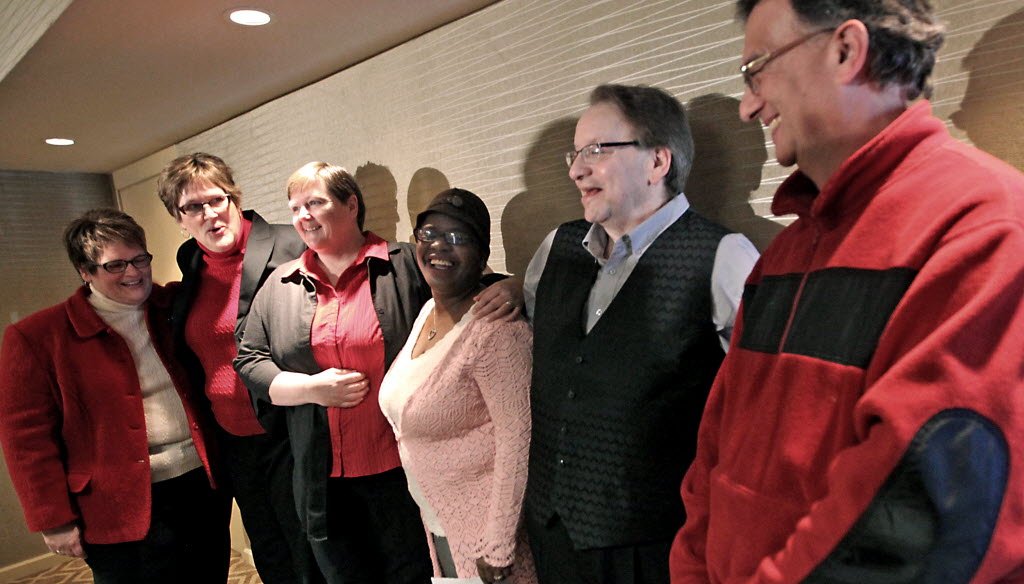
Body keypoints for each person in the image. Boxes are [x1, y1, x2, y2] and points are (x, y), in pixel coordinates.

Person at [670, 1, 1024, 582]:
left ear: (846, 50)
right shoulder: (782, 257)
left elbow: (912, 529)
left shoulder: (983, 227)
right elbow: (714, 457)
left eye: (756, 70)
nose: (747, 105)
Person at [484, 83, 758, 583]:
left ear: (658, 162)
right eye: (575, 152)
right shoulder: (556, 248)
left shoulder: (725, 257)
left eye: (596, 151)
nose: (575, 169)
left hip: (653, 545)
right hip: (552, 530)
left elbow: (763, 408)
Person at [234, 162, 521, 584]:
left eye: (315, 202)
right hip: (322, 476)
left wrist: (519, 286)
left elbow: (464, 288)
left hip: (400, 473)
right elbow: (248, 358)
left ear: (351, 205)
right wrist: (308, 388)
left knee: (414, 573)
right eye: (295, 207)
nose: (303, 216)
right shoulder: (281, 284)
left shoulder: (404, 264)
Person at [0, 209, 230, 584]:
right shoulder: (38, 336)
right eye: (115, 265)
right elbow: (26, 440)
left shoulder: (173, 306)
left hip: (199, 489)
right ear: (85, 271)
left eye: (140, 259)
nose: (134, 273)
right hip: (115, 506)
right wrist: (53, 519)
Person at [156, 152, 323, 584]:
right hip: (232, 440)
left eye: (217, 199)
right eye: (193, 207)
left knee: (309, 548)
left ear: (235, 197)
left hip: (290, 429)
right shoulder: (190, 260)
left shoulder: (292, 242)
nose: (210, 214)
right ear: (179, 218)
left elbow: (365, 265)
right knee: (268, 547)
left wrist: (500, 285)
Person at [379, 188, 538, 584]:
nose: (438, 247)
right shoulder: (427, 312)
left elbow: (519, 438)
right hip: (441, 522)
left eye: (457, 238)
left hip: (488, 534)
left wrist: (498, 544)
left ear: (482, 254)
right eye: (429, 234)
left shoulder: (497, 331)